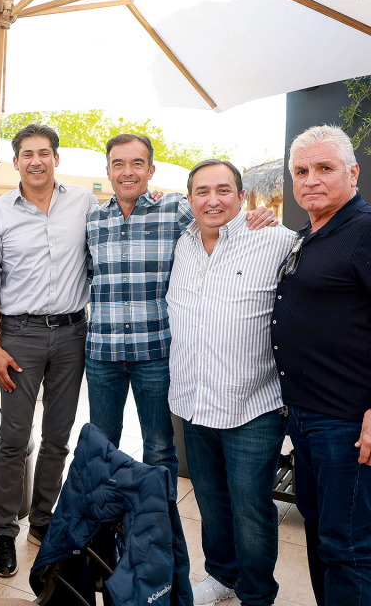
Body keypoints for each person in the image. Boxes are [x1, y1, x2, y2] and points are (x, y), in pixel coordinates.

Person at [86, 134, 276, 486]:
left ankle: (160, 516)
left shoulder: (175, 209)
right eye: (118, 164)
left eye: (137, 163)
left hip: (157, 353)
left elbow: (219, 213)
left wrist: (256, 214)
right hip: (103, 353)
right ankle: (102, 514)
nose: (128, 172)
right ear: (108, 170)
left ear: (150, 170)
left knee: (159, 447)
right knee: (101, 445)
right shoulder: (92, 219)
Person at [166, 159, 295, 606]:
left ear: (242, 197)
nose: (213, 200)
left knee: (251, 508)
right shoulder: (181, 243)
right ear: (189, 199)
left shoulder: (276, 240)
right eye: (202, 191)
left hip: (251, 404)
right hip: (193, 399)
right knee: (209, 499)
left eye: (223, 190)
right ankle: (222, 576)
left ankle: (257, 595)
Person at [0, 124, 99, 577]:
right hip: (19, 335)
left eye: (43, 153)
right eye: (27, 154)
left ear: (56, 158)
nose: (36, 161)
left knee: (58, 437)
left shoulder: (84, 202)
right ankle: (6, 532)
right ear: (16, 162)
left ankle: (43, 521)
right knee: (13, 439)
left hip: (72, 334)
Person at [272, 125, 371, 606]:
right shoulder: (308, 234)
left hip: (346, 422)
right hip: (307, 417)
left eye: (324, 168)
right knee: (319, 532)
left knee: (347, 547)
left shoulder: (364, 231)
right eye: (301, 171)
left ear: (353, 173)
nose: (310, 179)